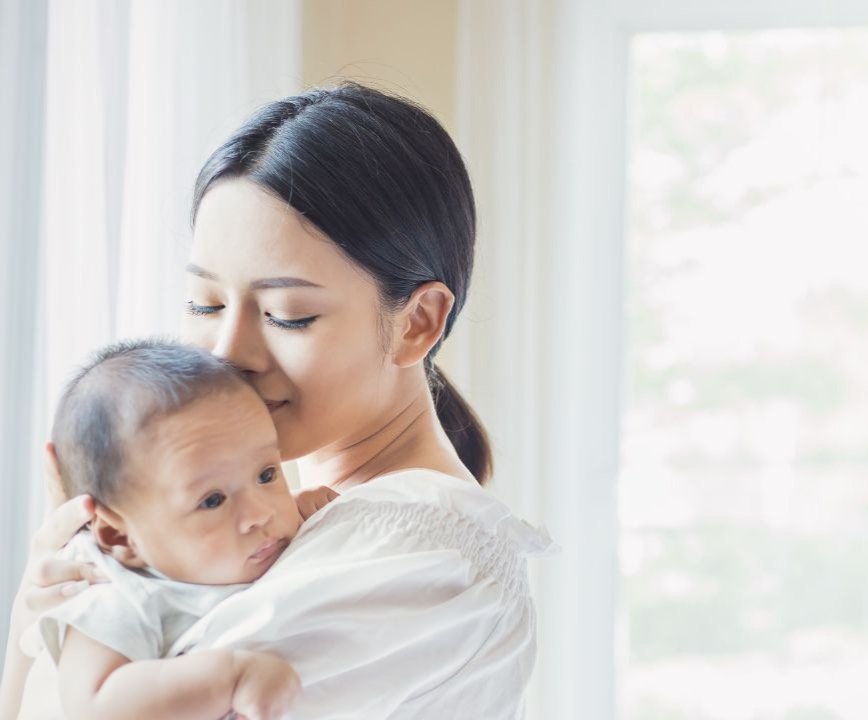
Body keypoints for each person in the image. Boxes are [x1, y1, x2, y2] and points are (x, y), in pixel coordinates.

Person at [2, 83, 553, 720]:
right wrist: (35, 605)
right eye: (204, 304)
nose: (227, 352)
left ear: (417, 323)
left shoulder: (415, 551)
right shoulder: (267, 530)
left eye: (287, 315)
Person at [32, 339, 336, 720]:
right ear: (121, 538)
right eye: (212, 500)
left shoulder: (250, 533)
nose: (260, 514)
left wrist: (301, 507)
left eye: (266, 474)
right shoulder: (117, 592)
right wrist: (231, 676)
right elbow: (92, 704)